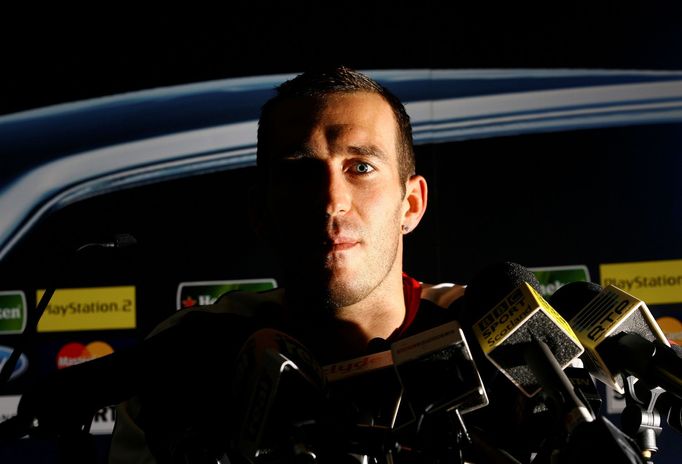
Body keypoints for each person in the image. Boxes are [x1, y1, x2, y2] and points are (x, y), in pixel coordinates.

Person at [108, 66, 466, 463]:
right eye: (300, 172)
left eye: (361, 167)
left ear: (411, 204)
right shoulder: (188, 354)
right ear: (261, 210)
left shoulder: (487, 330)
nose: (332, 201)